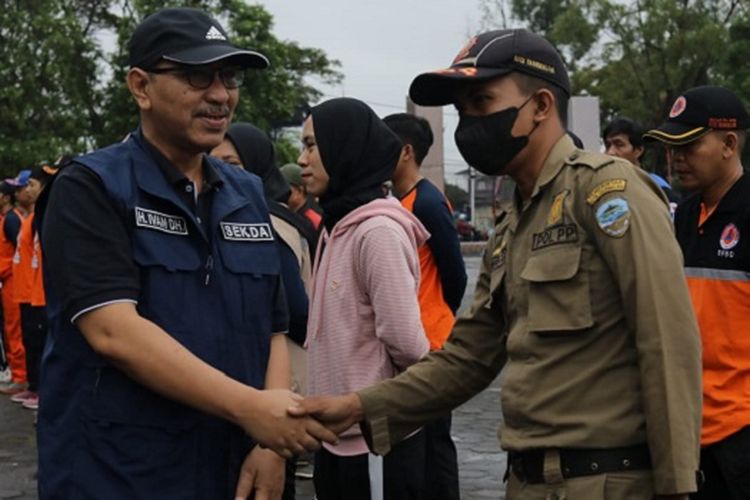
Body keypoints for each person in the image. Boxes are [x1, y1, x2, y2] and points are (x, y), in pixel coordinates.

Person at [295, 29, 703, 500]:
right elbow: (470, 356)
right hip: (528, 480)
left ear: (542, 105)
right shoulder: (514, 219)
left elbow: (666, 340)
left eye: (482, 101)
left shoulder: (606, 193)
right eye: (462, 109)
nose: (469, 122)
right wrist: (360, 407)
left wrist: (678, 485)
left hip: (606, 480)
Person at [37, 7, 335, 499]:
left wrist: (269, 444)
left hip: (234, 468)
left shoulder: (246, 193)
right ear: (140, 86)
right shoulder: (91, 188)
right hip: (123, 472)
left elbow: (274, 327)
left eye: (229, 76)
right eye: (197, 75)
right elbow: (113, 331)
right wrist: (250, 410)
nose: (220, 94)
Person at [299, 97, 430, 499]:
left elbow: (408, 343)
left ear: (345, 148)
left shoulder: (377, 232)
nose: (302, 160)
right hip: (336, 437)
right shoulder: (336, 226)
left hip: (376, 442)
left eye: (311, 146)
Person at [643, 85, 750, 500]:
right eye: (671, 147)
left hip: (740, 432)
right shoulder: (681, 216)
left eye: (688, 145)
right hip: (685, 429)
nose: (676, 157)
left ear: (728, 144)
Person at [212, 122, 314, 500]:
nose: (220, 171)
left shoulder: (267, 223)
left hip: (277, 384)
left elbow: (293, 312)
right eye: (213, 161)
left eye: (232, 163)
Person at [383, 112, 466, 500]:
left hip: (430, 341)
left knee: (434, 444)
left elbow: (455, 274)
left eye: (383, 142)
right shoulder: (395, 200)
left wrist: (435, 315)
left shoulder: (428, 200)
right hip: (410, 339)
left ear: (405, 151)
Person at [9, 164, 52, 410]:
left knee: (39, 342)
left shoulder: (34, 219)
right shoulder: (29, 219)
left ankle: (39, 388)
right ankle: (33, 385)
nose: (24, 191)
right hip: (26, 290)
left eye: (31, 185)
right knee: (30, 340)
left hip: (38, 290)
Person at [603, 117, 680, 209]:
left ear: (638, 150)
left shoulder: (657, 188)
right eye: (608, 146)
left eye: (619, 145)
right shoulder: (604, 188)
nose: (610, 152)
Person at [0, 170, 31, 397]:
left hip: (13, 280)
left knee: (14, 329)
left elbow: (21, 251)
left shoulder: (11, 220)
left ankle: (20, 376)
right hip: (10, 279)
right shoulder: (9, 219)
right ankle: (17, 372)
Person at [280, 162, 323, 231]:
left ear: (299, 191)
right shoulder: (289, 213)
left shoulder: (315, 220)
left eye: (284, 187)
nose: (279, 191)